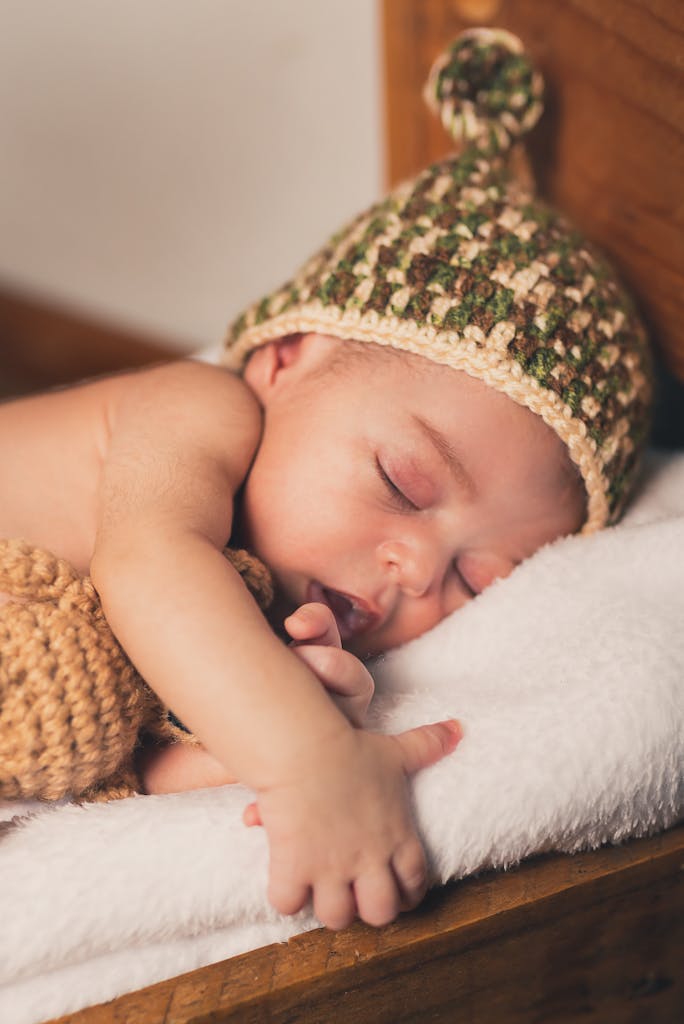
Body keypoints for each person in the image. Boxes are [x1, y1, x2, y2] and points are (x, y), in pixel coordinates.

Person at [0, 29, 651, 931]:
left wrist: (253, 733)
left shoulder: (253, 621)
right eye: (405, 483)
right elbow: (147, 566)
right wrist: (310, 758)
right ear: (284, 360)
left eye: (475, 579)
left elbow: (115, 765)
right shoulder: (196, 410)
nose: (420, 570)